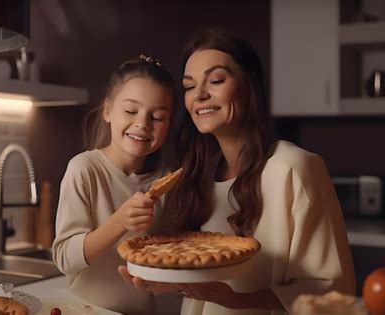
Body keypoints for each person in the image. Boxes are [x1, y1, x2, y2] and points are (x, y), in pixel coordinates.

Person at [119, 30, 355, 315]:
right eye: (190, 86)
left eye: (216, 80)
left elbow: (333, 293)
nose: (200, 95)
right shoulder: (198, 175)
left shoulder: (293, 168)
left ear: (249, 87)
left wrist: (233, 299)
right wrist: (172, 282)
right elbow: (206, 281)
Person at [52, 54, 177, 315]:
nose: (142, 123)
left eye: (158, 117)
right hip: (84, 310)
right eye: (131, 110)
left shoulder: (168, 182)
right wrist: (119, 222)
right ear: (108, 110)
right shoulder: (84, 169)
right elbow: (64, 258)